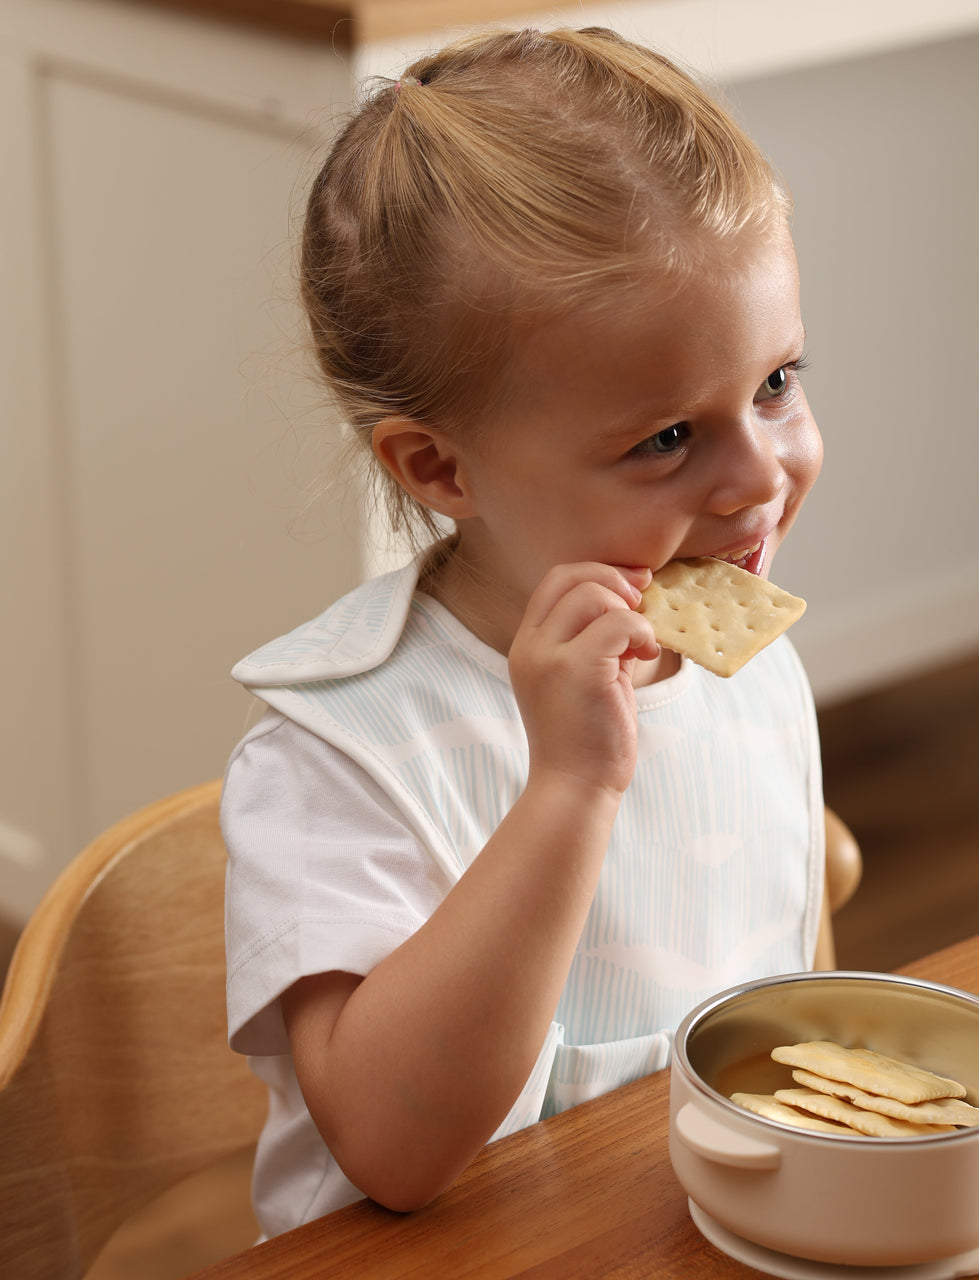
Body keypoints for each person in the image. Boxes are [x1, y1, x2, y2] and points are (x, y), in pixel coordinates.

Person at [221, 25, 825, 1239]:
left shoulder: (742, 663)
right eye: (666, 437)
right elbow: (394, 1153)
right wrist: (568, 787)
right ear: (439, 465)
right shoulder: (338, 756)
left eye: (773, 382)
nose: (758, 477)